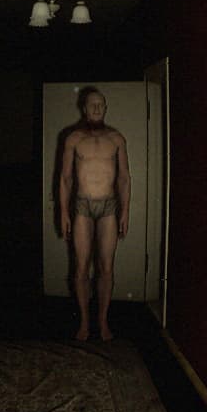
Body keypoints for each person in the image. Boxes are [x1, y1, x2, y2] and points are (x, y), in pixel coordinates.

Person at [59, 87, 130, 341]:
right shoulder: (74, 138)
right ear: (84, 108)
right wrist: (63, 212)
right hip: (82, 207)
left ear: (106, 108)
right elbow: (66, 178)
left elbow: (124, 178)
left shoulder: (117, 139)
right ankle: (84, 323)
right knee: (81, 267)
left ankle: (103, 322)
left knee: (106, 268)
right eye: (92, 104)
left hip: (109, 207)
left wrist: (125, 212)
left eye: (101, 104)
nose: (97, 108)